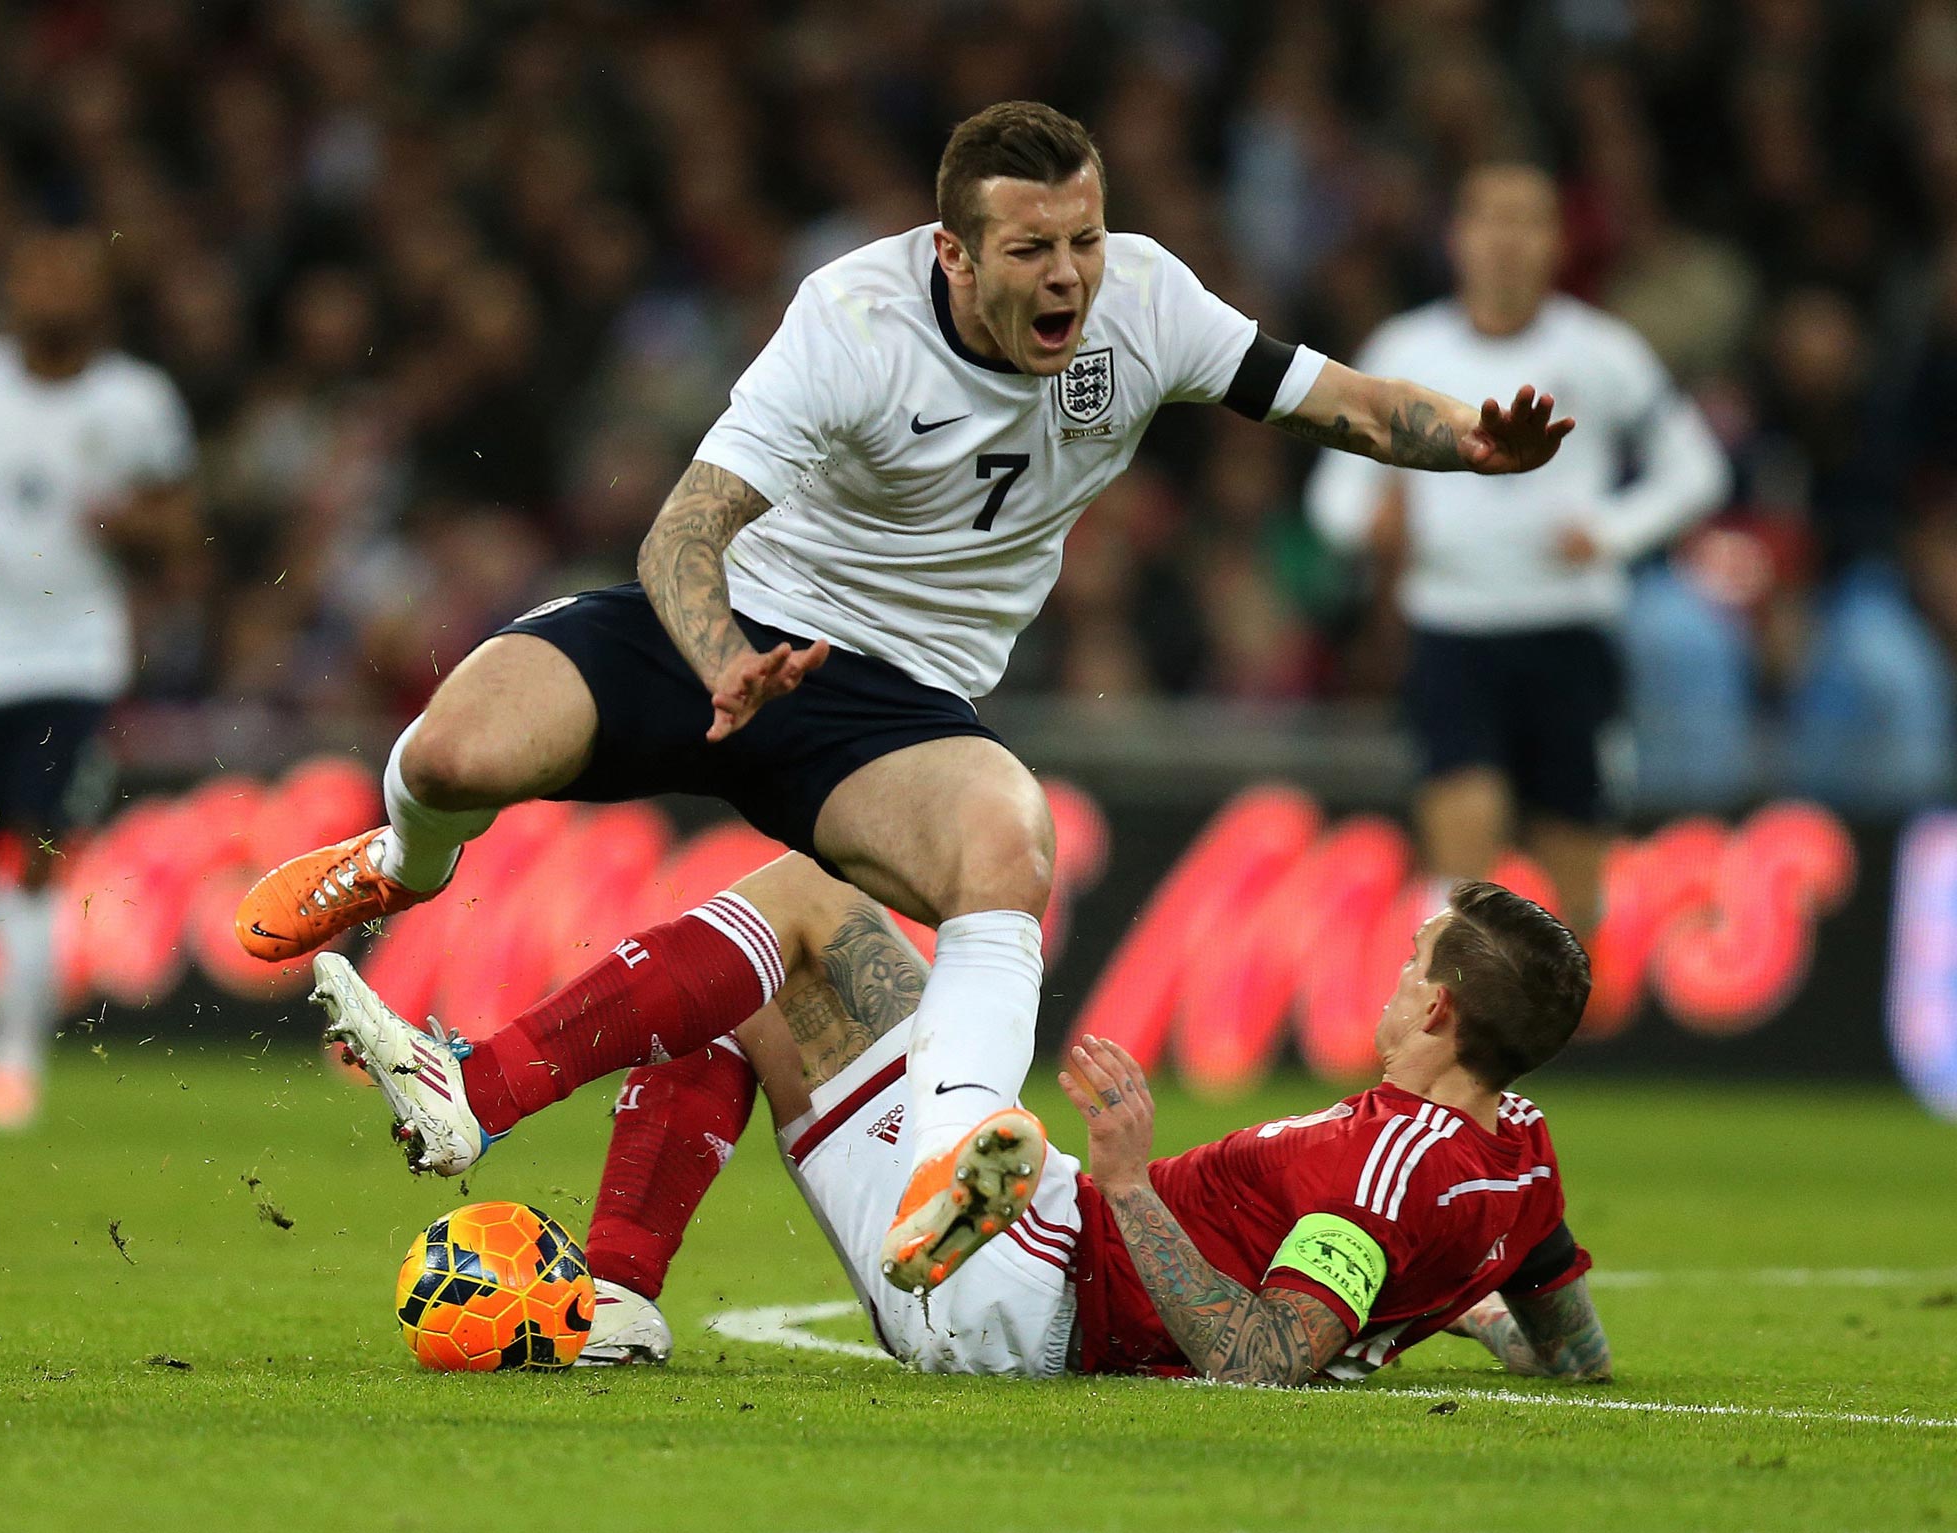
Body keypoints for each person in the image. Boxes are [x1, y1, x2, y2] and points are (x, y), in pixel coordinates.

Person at [240, 101, 1574, 1293]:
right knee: (456, 746)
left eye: (1085, 242)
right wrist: (723, 667)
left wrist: (1462, 440)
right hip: (726, 629)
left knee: (1008, 843)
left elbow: (1326, 398)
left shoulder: (1148, 305)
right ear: (952, 254)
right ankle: (398, 862)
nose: (1069, 277)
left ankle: (953, 1161)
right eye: (1032, 251)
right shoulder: (852, 323)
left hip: (898, 703)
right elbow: (681, 535)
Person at [309, 860, 1611, 1386]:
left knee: (799, 921)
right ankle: (618, 1301)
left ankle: (475, 1092)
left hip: (1040, 1288)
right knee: (755, 966)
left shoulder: (1381, 1163)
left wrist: (1128, 1177)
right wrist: (1455, 1312)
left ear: (1437, 1012)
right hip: (1033, 1244)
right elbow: (1569, 1336)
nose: (1387, 975)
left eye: (1409, 962)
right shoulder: (1517, 1151)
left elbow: (1260, 1361)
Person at [1306, 161, 1727, 931]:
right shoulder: (1408, 348)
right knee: (1461, 849)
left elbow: (1697, 468)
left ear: (1556, 242)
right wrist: (1370, 526)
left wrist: (1611, 532)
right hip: (1453, 628)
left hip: (1567, 628)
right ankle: (1460, 1036)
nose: (1505, 239)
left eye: (1525, 220)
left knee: (1574, 873)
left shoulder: (1602, 352)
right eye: (1487, 218)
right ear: (1456, 237)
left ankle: (1566, 1030)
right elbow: (1332, 494)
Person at [0, 227, 197, 1128]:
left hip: (73, 654)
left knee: (36, 853)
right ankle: (23, 977)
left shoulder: (137, 400)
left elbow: (176, 526)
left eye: (71, 277)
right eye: (37, 273)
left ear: (100, 298)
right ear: (11, 288)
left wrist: (129, 526)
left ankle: (12, 1061)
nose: (52, 293)